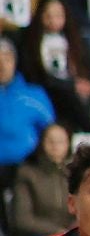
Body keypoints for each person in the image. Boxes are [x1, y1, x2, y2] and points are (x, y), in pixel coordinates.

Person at [19, 0, 90, 131]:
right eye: (48, 15)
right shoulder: (31, 41)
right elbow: (33, 73)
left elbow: (83, 67)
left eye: (58, 15)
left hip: (71, 86)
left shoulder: (75, 40)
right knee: (68, 94)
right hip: (47, 86)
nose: (53, 20)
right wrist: (70, 85)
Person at [8, 122, 69, 236]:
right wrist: (57, 230)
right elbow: (22, 219)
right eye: (50, 141)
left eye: (60, 141)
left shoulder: (73, 173)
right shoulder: (27, 173)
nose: (55, 146)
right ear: (41, 143)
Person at [0, 37, 54, 173]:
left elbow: (50, 130)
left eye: (7, 59)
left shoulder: (34, 95)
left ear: (14, 62)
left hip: (27, 169)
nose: (2, 65)